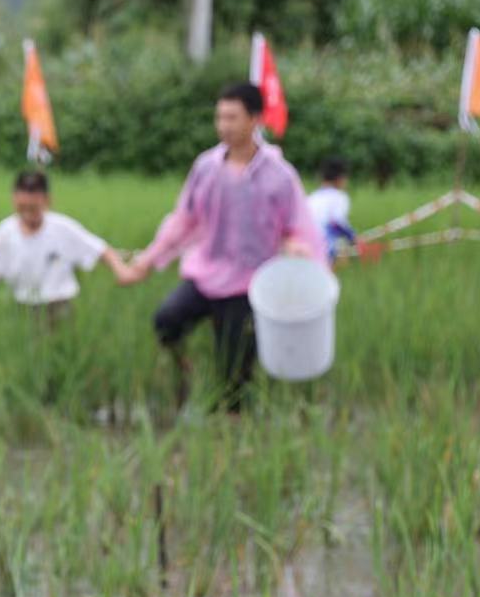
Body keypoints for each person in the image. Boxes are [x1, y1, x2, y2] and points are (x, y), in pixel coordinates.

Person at [113, 82, 325, 411]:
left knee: (234, 377)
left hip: (248, 283)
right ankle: (187, 371)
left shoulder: (279, 176)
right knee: (166, 322)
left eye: (232, 118)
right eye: (219, 117)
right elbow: (183, 220)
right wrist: (147, 261)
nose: (224, 126)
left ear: (255, 120)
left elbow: (295, 226)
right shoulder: (206, 167)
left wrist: (297, 248)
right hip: (206, 274)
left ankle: (232, 434)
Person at [0, 168, 131, 325]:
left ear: (47, 201)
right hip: (23, 309)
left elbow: (101, 250)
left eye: (33, 208)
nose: (27, 213)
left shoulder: (62, 228)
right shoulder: (5, 231)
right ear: (14, 200)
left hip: (59, 308)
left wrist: (121, 270)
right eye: (22, 207)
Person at [308, 157, 356, 268]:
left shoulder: (312, 198)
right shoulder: (340, 197)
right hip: (325, 247)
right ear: (340, 179)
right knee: (342, 245)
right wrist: (353, 237)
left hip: (305, 246)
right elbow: (337, 222)